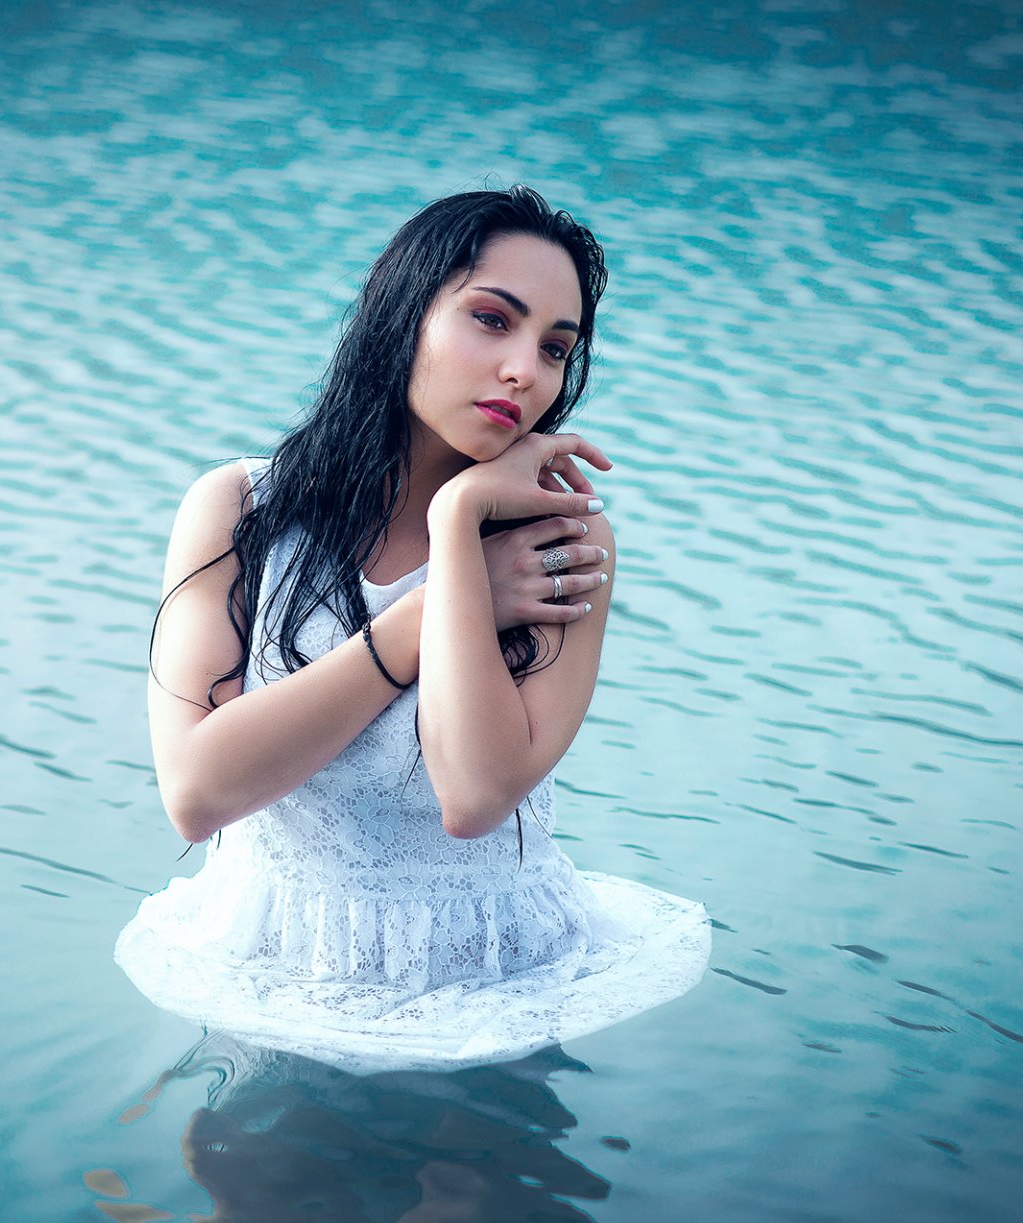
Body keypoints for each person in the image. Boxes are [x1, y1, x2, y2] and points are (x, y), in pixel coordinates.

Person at [115, 186, 708, 1073]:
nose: (525, 372)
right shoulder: (240, 507)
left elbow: (474, 798)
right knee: (253, 1208)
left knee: (470, 1208)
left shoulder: (562, 543)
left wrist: (462, 521)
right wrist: (429, 610)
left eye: (554, 348)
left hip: (490, 977)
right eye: (490, 319)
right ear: (403, 316)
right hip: (281, 955)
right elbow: (197, 794)